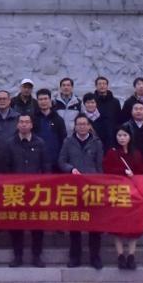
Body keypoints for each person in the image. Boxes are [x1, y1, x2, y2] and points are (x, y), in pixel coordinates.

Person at [57, 114, 104, 270]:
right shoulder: (68, 141)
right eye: (79, 124)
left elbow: (100, 165)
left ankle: (95, 257)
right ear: (75, 126)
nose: (82, 127)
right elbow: (61, 161)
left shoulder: (96, 142)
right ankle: (75, 256)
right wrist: (71, 169)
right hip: (74, 187)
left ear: (89, 126)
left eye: (85, 124)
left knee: (95, 225)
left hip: (92, 187)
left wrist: (99, 182)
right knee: (75, 223)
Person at [102, 128, 143, 270]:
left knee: (133, 226)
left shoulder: (136, 153)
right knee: (117, 225)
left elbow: (142, 172)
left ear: (130, 137)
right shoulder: (112, 152)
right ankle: (120, 255)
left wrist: (135, 177)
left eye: (124, 135)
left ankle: (131, 255)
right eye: (119, 135)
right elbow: (106, 170)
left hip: (133, 193)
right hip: (117, 192)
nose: (122, 138)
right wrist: (122, 172)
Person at [6, 113, 46, 268]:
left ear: (31, 125)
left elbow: (46, 166)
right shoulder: (10, 143)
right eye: (21, 122)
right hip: (16, 191)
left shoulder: (40, 143)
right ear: (17, 125)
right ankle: (18, 256)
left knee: (38, 224)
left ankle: (36, 256)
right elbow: (5, 167)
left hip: (36, 191)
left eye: (27, 122)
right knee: (16, 224)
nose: (24, 124)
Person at [33, 87, 67, 171]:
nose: (43, 102)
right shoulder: (32, 119)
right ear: (37, 101)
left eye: (45, 99)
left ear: (50, 100)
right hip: (36, 161)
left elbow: (63, 140)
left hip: (55, 161)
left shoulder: (58, 119)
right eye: (40, 99)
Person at [91, 76, 122, 145]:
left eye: (104, 84)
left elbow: (119, 119)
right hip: (95, 136)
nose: (102, 86)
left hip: (112, 136)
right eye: (99, 84)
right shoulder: (91, 101)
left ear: (107, 86)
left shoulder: (115, 102)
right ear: (96, 86)